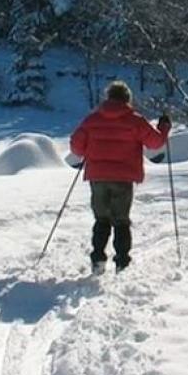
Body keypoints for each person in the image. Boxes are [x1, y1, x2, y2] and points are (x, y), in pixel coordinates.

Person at [70, 80, 171, 272]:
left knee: (101, 219)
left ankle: (98, 259)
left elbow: (76, 146)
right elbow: (155, 143)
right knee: (121, 220)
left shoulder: (92, 120)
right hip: (123, 178)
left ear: (108, 97)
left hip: (97, 177)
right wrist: (164, 127)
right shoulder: (134, 120)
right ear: (127, 99)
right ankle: (122, 262)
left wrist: (90, 149)